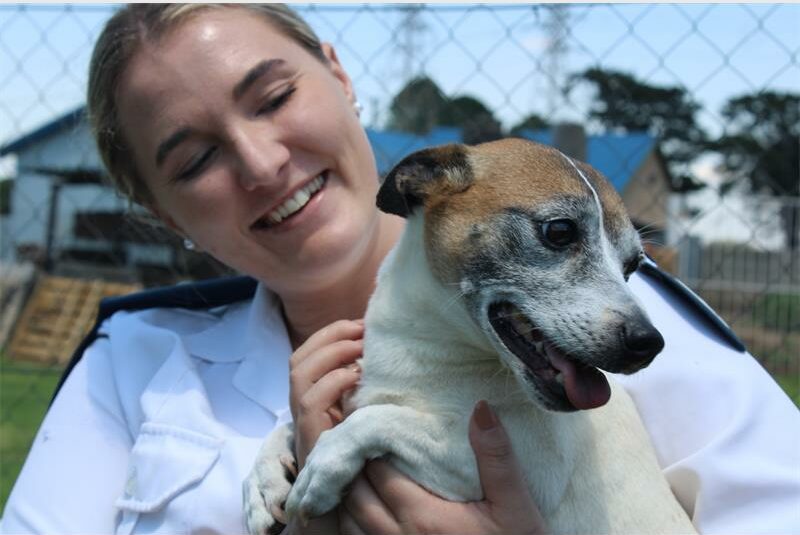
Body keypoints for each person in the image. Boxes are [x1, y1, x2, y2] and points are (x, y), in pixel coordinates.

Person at [1, 4, 798, 534]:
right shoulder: (129, 361)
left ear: (341, 78)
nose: (262, 161)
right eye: (197, 157)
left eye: (274, 97)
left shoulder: (617, 327)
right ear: (162, 214)